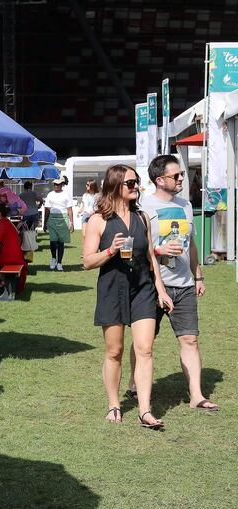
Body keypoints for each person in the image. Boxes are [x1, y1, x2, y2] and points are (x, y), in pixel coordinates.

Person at [82, 164, 173, 430]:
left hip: (142, 288)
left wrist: (161, 289)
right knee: (115, 351)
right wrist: (110, 250)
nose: (136, 187)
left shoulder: (142, 217)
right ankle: (114, 404)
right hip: (112, 289)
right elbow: (87, 262)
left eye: (137, 183)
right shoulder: (98, 219)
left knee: (145, 349)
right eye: (130, 184)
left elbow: (150, 259)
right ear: (115, 186)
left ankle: (145, 411)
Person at [125, 155, 218, 411]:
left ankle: (196, 395)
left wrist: (197, 275)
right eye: (176, 176)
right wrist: (159, 249)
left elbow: (193, 245)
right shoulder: (142, 207)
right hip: (152, 285)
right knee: (145, 342)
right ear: (159, 179)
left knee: (190, 339)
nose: (181, 179)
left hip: (185, 284)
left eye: (181, 175)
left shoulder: (186, 205)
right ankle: (134, 382)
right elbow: (137, 248)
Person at [43, 177, 74, 271]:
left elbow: (69, 209)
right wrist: (45, 222)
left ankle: (59, 262)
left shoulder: (66, 194)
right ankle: (53, 259)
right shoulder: (50, 194)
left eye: (58, 184)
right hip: (52, 218)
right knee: (53, 241)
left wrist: (71, 222)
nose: (56, 186)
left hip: (63, 219)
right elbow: (47, 209)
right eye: (55, 184)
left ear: (62, 184)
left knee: (61, 242)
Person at [80, 179, 100, 243]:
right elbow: (83, 205)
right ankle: (84, 252)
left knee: (94, 235)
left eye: (88, 185)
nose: (86, 186)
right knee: (84, 235)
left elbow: (100, 207)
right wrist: (80, 211)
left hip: (94, 216)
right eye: (86, 184)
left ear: (92, 185)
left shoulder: (98, 196)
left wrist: (95, 211)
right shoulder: (85, 195)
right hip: (85, 215)